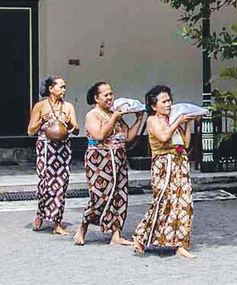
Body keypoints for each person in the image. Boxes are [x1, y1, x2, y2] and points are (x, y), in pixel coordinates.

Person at [74, 82, 146, 246]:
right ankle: (83, 226)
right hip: (100, 159)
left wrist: (139, 119)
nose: (110, 98)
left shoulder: (114, 114)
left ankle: (116, 234)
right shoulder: (93, 115)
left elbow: (127, 138)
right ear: (96, 98)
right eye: (105, 95)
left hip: (119, 158)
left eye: (111, 94)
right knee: (100, 196)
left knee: (120, 195)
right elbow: (99, 135)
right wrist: (114, 118)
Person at [133, 85, 196, 258]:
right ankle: (141, 235)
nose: (168, 104)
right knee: (163, 202)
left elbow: (185, 143)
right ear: (154, 106)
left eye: (169, 101)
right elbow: (163, 137)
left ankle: (180, 243)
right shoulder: (153, 120)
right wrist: (178, 121)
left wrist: (188, 124)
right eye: (164, 101)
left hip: (179, 163)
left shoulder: (172, 120)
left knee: (183, 204)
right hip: (164, 165)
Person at [27, 76, 79, 235]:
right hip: (46, 148)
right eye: (61, 87)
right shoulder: (40, 106)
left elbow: (76, 131)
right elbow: (30, 131)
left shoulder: (68, 106)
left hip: (62, 150)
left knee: (61, 185)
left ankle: (57, 222)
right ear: (51, 89)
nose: (64, 90)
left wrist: (70, 124)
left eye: (65, 87)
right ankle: (40, 214)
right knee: (45, 184)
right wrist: (42, 121)